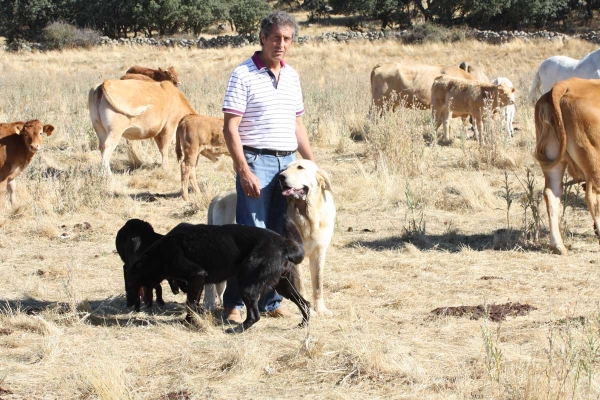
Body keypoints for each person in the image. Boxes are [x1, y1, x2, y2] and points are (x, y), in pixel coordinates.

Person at [221, 10, 315, 324]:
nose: (281, 44)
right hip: (256, 161)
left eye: (287, 39)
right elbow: (230, 128)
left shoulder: (293, 77)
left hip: (287, 164)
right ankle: (235, 303)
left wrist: (311, 164)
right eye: (275, 38)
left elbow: (297, 124)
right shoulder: (243, 74)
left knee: (280, 237)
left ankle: (272, 300)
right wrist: (243, 169)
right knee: (251, 237)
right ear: (262, 38)